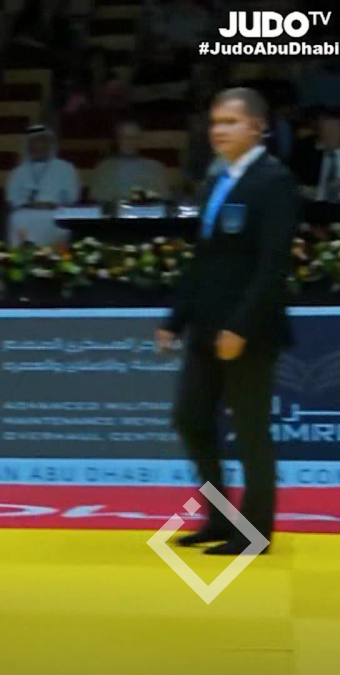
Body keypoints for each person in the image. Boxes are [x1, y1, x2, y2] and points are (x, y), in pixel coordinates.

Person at [157, 87, 299, 556]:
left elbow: (272, 266)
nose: (219, 130)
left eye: (231, 122)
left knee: (251, 431)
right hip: (205, 328)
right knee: (189, 418)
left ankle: (255, 532)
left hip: (249, 332)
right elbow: (203, 260)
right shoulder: (217, 179)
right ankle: (218, 516)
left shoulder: (274, 181)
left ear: (258, 126)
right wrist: (175, 320)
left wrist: (240, 327)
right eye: (215, 122)